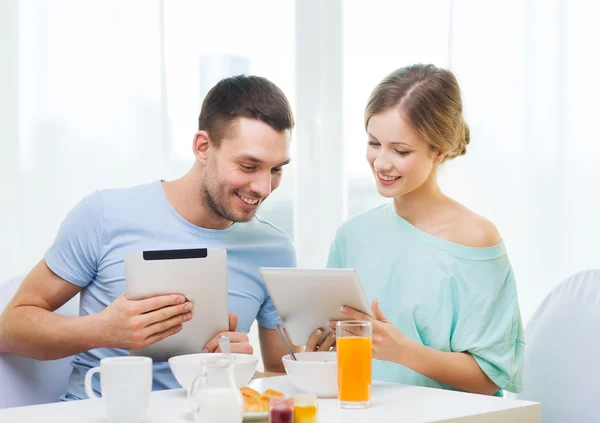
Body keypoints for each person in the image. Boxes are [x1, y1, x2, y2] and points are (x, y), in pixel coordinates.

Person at [0, 75, 302, 400]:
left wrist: (239, 370)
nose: (264, 188)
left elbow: (281, 378)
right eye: (248, 165)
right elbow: (9, 329)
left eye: (276, 170)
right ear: (203, 147)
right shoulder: (104, 215)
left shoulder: (275, 250)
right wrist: (103, 330)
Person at [324, 64, 524, 396]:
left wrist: (402, 350)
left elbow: (490, 379)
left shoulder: (476, 240)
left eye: (401, 151)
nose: (381, 162)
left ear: (439, 151)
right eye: (374, 143)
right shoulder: (351, 236)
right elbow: (332, 348)